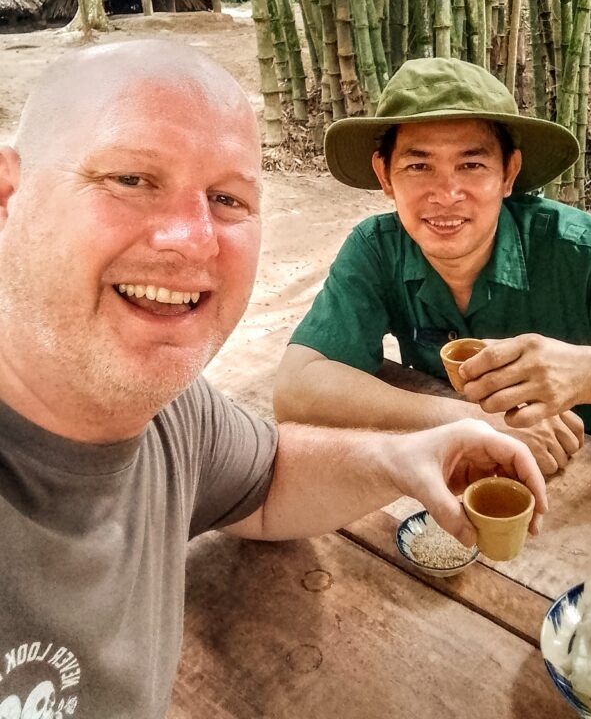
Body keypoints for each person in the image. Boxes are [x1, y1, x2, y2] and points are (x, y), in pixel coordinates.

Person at [0, 41, 547, 719]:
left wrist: (403, 458)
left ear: (510, 174)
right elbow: (303, 380)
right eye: (131, 180)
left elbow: (265, 481)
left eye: (228, 198)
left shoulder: (176, 416)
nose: (193, 238)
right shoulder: (374, 251)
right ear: (6, 196)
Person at [275, 56, 591, 492]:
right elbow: (298, 388)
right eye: (419, 167)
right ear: (384, 175)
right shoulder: (378, 249)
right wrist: (468, 420)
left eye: (471, 165)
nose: (446, 195)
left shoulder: (586, 255)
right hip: (516, 473)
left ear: (509, 173)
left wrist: (590, 373)